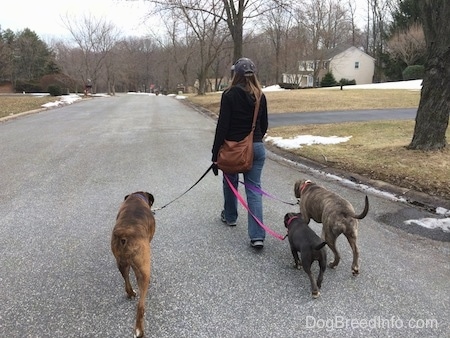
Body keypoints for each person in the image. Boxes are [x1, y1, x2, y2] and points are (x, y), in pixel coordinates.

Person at [211, 57, 268, 249]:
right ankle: (257, 236)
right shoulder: (260, 95)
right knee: (254, 191)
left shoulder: (229, 95)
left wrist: (215, 156)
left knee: (230, 182)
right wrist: (254, 140)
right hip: (257, 148)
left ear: (235, 74)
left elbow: (222, 127)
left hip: (232, 150)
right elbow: (264, 125)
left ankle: (230, 216)